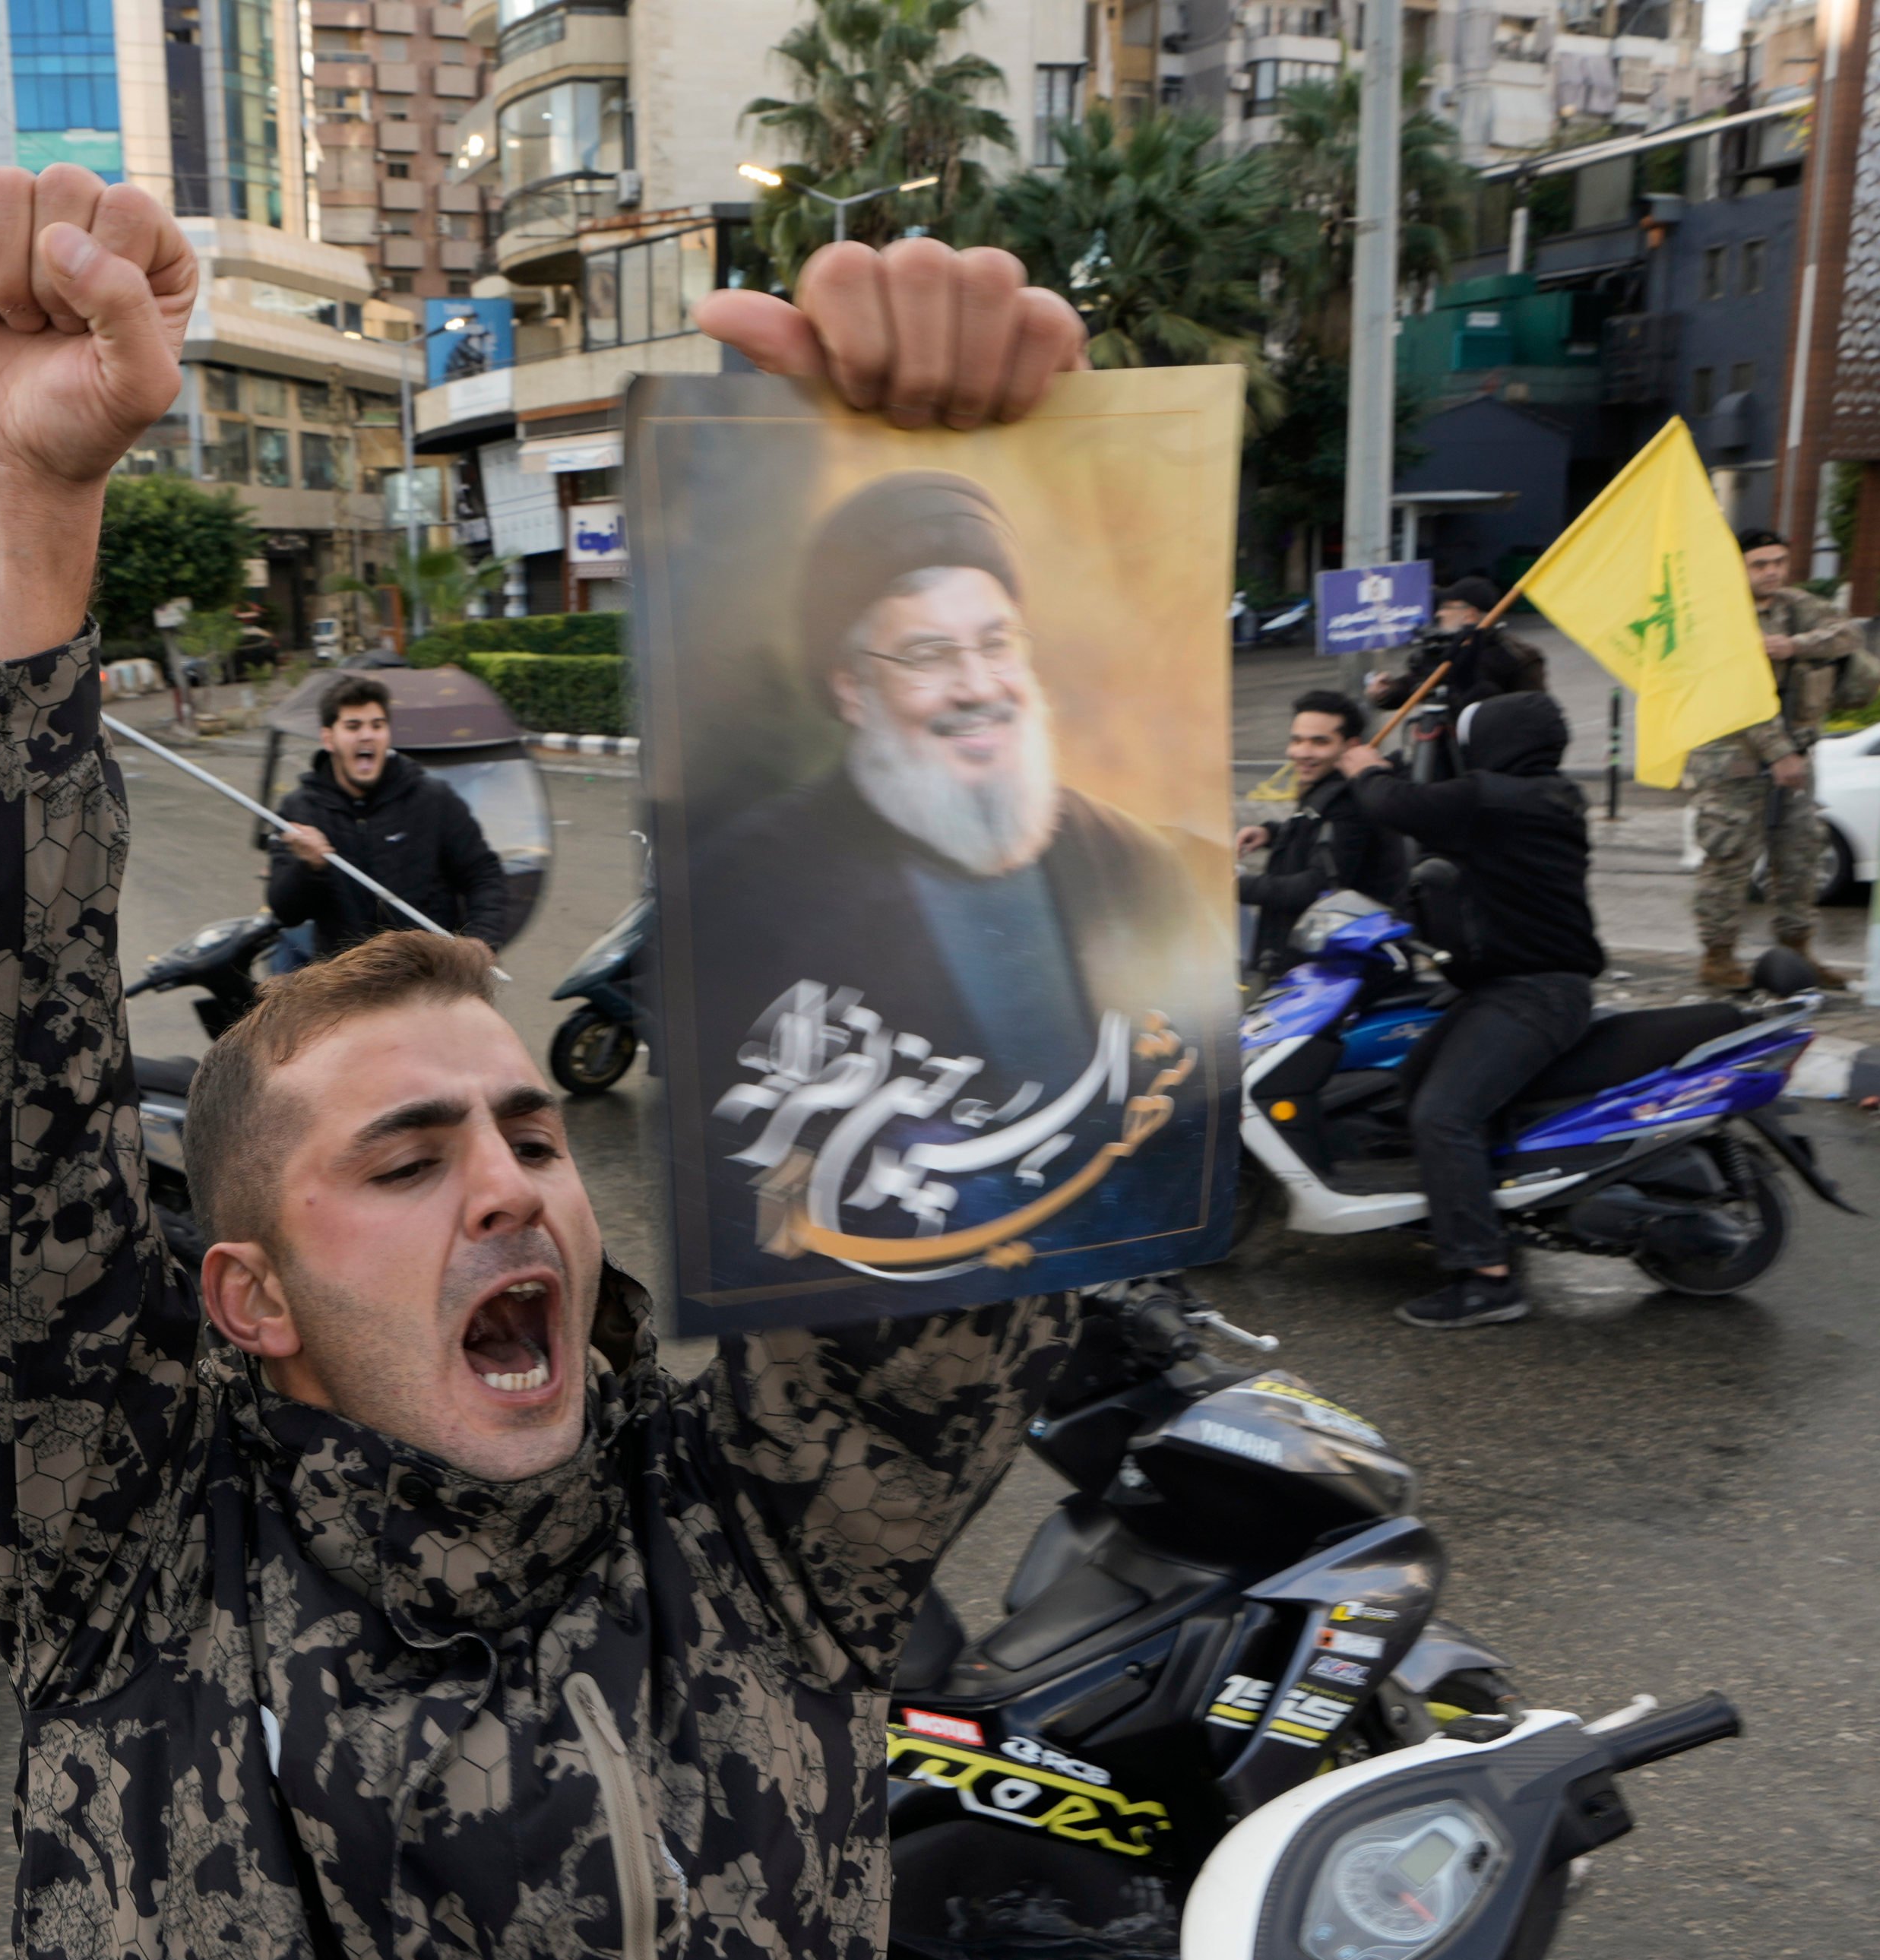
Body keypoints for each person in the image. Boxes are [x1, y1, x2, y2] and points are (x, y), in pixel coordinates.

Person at [0, 165, 1091, 1960]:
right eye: (404, 1161)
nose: (508, 1182)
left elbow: (954, 1146)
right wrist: (12, 504)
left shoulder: (760, 1541)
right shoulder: (131, 1561)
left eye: (532, 1138)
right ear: (242, 1298)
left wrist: (901, 510)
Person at [685, 469, 1228, 1288]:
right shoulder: (742, 893)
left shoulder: (1136, 865)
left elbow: (1202, 1098)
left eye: (996, 641)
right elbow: (738, 1182)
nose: (978, 687)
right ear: (851, 689)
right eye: (928, 655)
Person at [1338, 691, 1605, 1328]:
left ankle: (1487, 1277)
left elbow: (1396, 807)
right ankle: (1471, 1211)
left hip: (1533, 992)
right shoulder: (1536, 795)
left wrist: (1365, 769)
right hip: (1507, 986)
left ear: (1496, 741)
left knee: (1442, 1115)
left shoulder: (1496, 797)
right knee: (1414, 1078)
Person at [1692, 527, 1864, 990]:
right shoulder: (1719, 617)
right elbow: (1740, 698)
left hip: (1795, 758)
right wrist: (1780, 754)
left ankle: (1797, 954)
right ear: (1739, 567)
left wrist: (1796, 647)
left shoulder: (1797, 606)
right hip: (1734, 759)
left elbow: (1847, 635)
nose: (1772, 572)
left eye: (1779, 562)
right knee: (1728, 859)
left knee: (1801, 854)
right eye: (1760, 564)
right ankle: (1719, 958)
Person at [264, 673, 510, 958]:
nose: (367, 735)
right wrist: (308, 868)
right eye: (353, 726)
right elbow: (286, 912)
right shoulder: (300, 810)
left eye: (377, 725)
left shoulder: (433, 798)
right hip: (346, 985)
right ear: (329, 738)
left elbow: (484, 875)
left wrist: (483, 941)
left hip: (428, 978)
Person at [1237, 689, 1413, 974]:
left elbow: (1318, 887)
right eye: (1297, 740)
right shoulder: (1333, 785)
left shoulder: (1350, 801)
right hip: (1318, 962)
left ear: (1350, 746)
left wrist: (1235, 886)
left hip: (1336, 973)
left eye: (1319, 742)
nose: (1302, 753)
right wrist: (1271, 832)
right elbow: (1322, 835)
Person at [1368, 576, 1549, 779]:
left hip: (1490, 760)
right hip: (1437, 750)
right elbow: (1418, 684)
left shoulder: (1517, 656)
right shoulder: (1446, 649)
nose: (1439, 613)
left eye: (1447, 607)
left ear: (1469, 615)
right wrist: (1387, 691)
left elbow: (1532, 713)